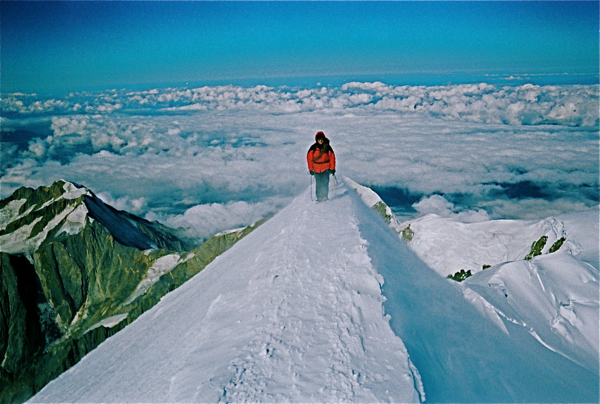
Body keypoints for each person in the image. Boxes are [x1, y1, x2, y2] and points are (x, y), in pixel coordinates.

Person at [307, 131, 336, 202]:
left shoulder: (327, 147)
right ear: (316, 139)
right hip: (317, 170)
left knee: (325, 183)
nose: (320, 141)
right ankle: (319, 198)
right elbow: (309, 158)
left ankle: (324, 197)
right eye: (319, 139)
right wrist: (311, 169)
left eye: (321, 139)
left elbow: (332, 158)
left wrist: (332, 168)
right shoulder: (313, 148)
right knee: (319, 184)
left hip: (326, 169)